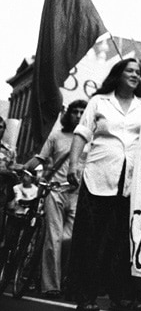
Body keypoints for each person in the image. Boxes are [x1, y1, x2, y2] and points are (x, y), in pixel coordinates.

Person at [67, 58, 141, 311]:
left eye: (139, 73)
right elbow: (82, 133)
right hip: (98, 177)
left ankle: (120, 293)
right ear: (118, 74)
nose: (135, 75)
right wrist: (73, 165)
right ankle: (86, 296)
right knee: (91, 238)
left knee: (122, 241)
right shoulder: (99, 101)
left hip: (131, 181)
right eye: (130, 71)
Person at [23, 99, 87, 298]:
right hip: (56, 191)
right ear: (69, 114)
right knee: (54, 238)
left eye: (82, 112)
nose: (78, 115)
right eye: (75, 112)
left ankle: (65, 279)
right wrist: (25, 170)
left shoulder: (92, 139)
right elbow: (40, 158)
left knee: (70, 239)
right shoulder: (57, 136)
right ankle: (51, 285)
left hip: (79, 194)